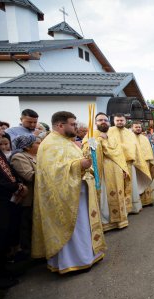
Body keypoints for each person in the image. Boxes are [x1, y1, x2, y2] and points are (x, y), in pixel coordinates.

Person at [32, 111, 106, 274]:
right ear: (60, 125)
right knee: (73, 228)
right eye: (72, 124)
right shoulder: (50, 143)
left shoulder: (67, 141)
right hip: (65, 198)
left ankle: (87, 255)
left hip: (78, 192)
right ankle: (72, 261)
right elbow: (53, 171)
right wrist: (79, 164)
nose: (76, 127)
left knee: (82, 227)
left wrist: (85, 163)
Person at [83, 113, 129, 232]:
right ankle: (106, 222)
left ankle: (120, 220)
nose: (103, 122)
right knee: (104, 197)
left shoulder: (112, 136)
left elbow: (119, 154)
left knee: (118, 195)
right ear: (95, 122)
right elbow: (88, 153)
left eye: (105, 120)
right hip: (102, 173)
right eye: (100, 120)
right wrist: (99, 140)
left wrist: (123, 169)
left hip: (116, 173)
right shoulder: (91, 136)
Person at [0, 146, 27, 289]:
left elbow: (8, 170)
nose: (1, 133)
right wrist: (15, 187)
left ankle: (5, 268)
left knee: (6, 232)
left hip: (9, 198)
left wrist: (18, 184)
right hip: (1, 198)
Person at [9, 134, 41, 256]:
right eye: (37, 143)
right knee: (26, 226)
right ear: (27, 147)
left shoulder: (38, 155)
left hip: (39, 198)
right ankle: (27, 253)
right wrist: (51, 170)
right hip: (28, 199)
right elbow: (29, 175)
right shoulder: (19, 157)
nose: (40, 145)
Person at [108, 114, 141, 213]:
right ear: (114, 121)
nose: (119, 122)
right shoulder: (109, 132)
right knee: (118, 186)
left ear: (125, 121)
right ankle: (120, 209)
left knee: (130, 185)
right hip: (115, 164)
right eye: (117, 120)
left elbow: (134, 147)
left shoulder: (130, 133)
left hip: (129, 163)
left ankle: (131, 208)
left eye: (121, 120)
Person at [131, 122, 154, 207]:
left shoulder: (145, 138)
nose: (138, 128)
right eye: (136, 127)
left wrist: (151, 161)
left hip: (146, 162)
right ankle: (139, 202)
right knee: (138, 182)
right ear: (132, 128)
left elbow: (149, 150)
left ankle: (148, 200)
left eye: (139, 127)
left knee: (146, 179)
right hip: (136, 164)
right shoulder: (130, 138)